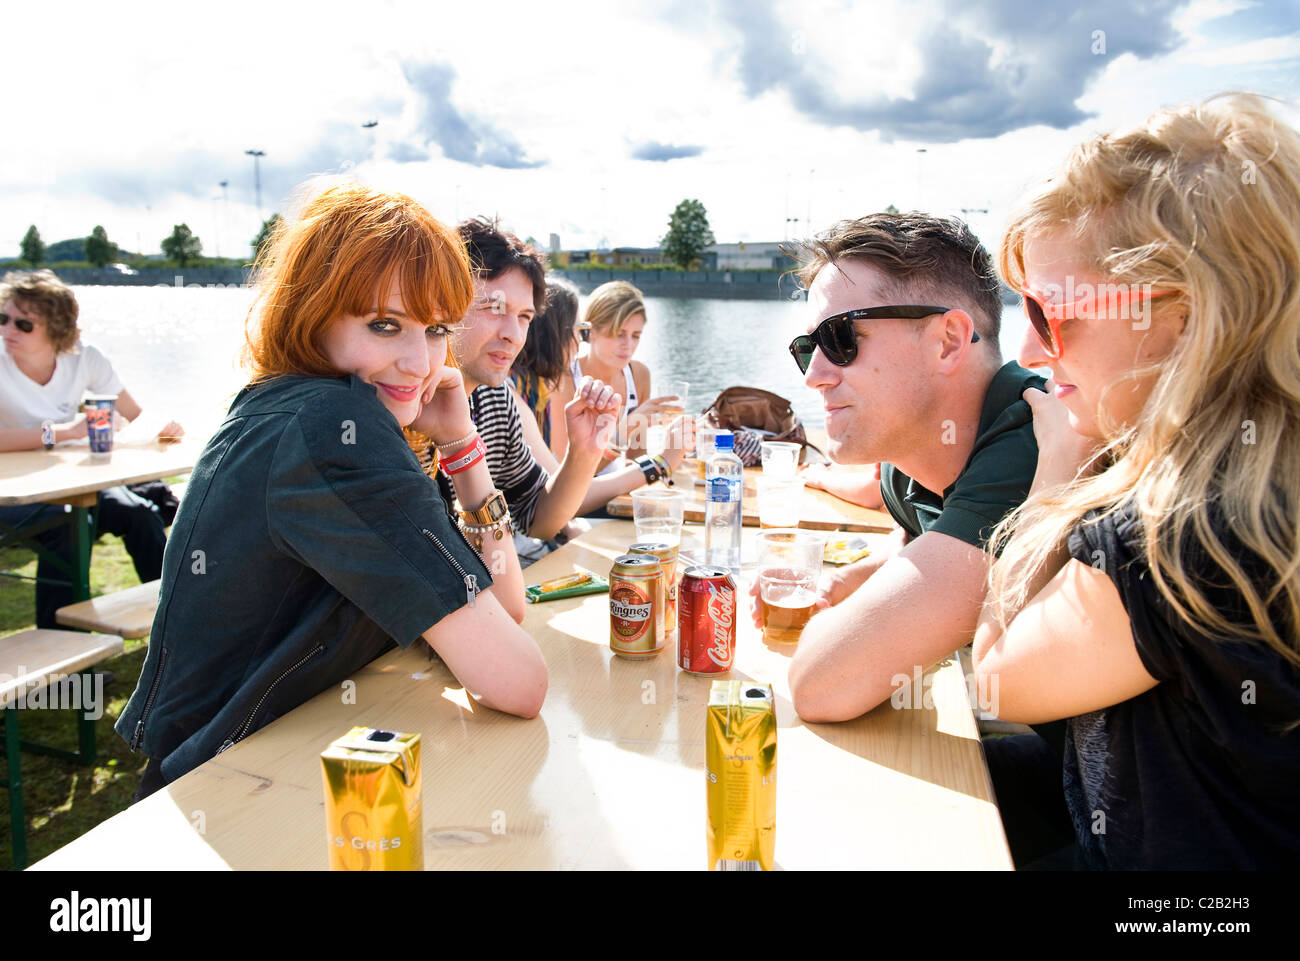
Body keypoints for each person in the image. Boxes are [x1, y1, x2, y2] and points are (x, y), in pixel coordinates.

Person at [116, 184, 547, 799]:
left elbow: (506, 607)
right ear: (311, 316)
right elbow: (520, 680)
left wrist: (460, 444)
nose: (419, 363)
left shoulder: (295, 406)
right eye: (384, 325)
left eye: (434, 330)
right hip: (222, 789)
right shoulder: (335, 428)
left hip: (256, 768)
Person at [972, 93, 1300, 869]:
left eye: (1053, 313)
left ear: (1183, 315)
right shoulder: (1255, 488)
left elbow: (994, 677)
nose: (1031, 347)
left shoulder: (1182, 532)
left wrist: (1057, 463)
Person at [759, 213, 1047, 726]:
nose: (815, 377)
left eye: (841, 338)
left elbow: (822, 683)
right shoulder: (909, 459)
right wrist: (838, 583)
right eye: (808, 349)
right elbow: (912, 550)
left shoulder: (1031, 441)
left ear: (948, 342)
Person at [445, 219, 692, 546]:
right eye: (494, 308)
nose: (514, 334)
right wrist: (659, 463)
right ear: (444, 305)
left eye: (524, 317)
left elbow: (536, 519)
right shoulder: (403, 403)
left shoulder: (496, 398)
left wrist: (584, 453)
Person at [0, 269, 183, 627]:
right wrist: (62, 432)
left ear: (57, 328)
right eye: (3, 318)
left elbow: (135, 416)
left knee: (141, 515)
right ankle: (60, 652)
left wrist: (163, 429)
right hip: (12, 492)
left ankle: (179, 622)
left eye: (24, 325)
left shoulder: (85, 358)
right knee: (68, 523)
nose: (8, 330)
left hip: (69, 482)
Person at [572, 280, 680, 470]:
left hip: (616, 493)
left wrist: (674, 448)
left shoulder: (639, 375)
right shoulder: (567, 379)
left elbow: (635, 460)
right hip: (580, 497)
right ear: (591, 331)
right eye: (619, 334)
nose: (628, 345)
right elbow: (568, 479)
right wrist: (626, 428)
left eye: (636, 335)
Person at [509, 276, 586, 461]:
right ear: (553, 333)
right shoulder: (513, 391)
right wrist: (659, 463)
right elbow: (552, 482)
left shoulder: (536, 388)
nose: (581, 340)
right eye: (579, 329)